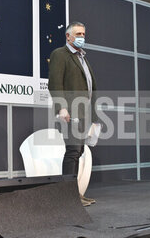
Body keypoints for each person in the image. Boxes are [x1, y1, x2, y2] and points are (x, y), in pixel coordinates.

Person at [48, 21, 97, 207]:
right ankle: (67, 197)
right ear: (68, 36)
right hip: (70, 113)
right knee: (73, 151)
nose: (81, 37)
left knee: (79, 151)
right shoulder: (60, 54)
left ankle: (74, 194)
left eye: (83, 34)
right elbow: (55, 83)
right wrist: (62, 107)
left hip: (83, 113)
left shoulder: (83, 58)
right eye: (78, 34)